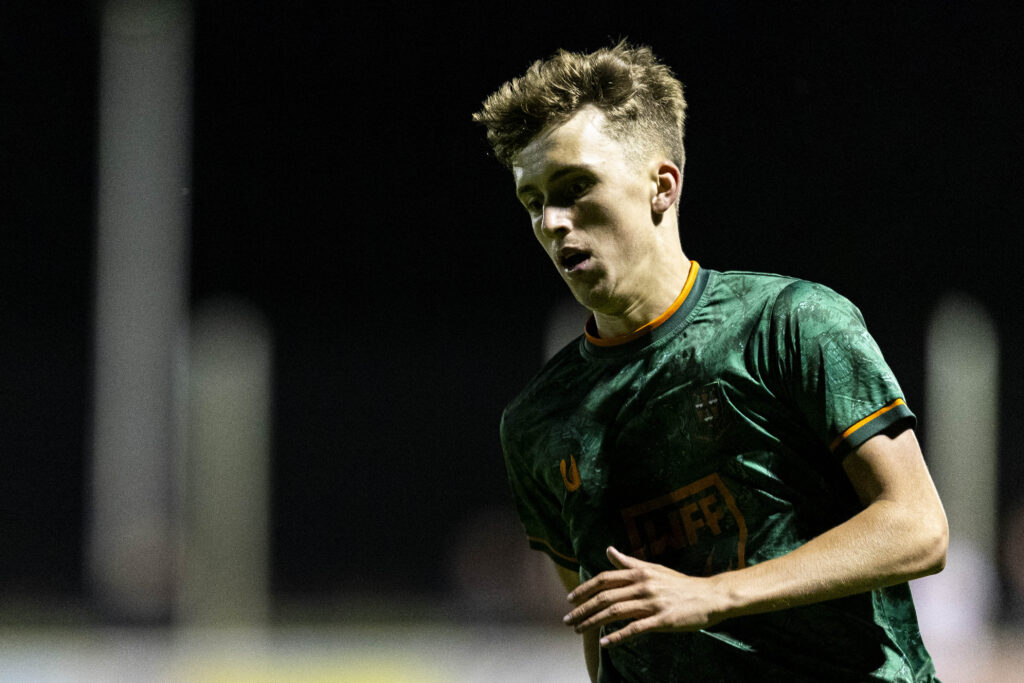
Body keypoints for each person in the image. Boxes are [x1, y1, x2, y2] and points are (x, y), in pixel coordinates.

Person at [473, 42, 948, 682]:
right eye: (533, 201)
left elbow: (917, 527)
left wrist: (714, 594)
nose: (553, 221)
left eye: (575, 186)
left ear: (661, 186)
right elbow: (608, 629)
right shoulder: (538, 422)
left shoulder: (789, 325)